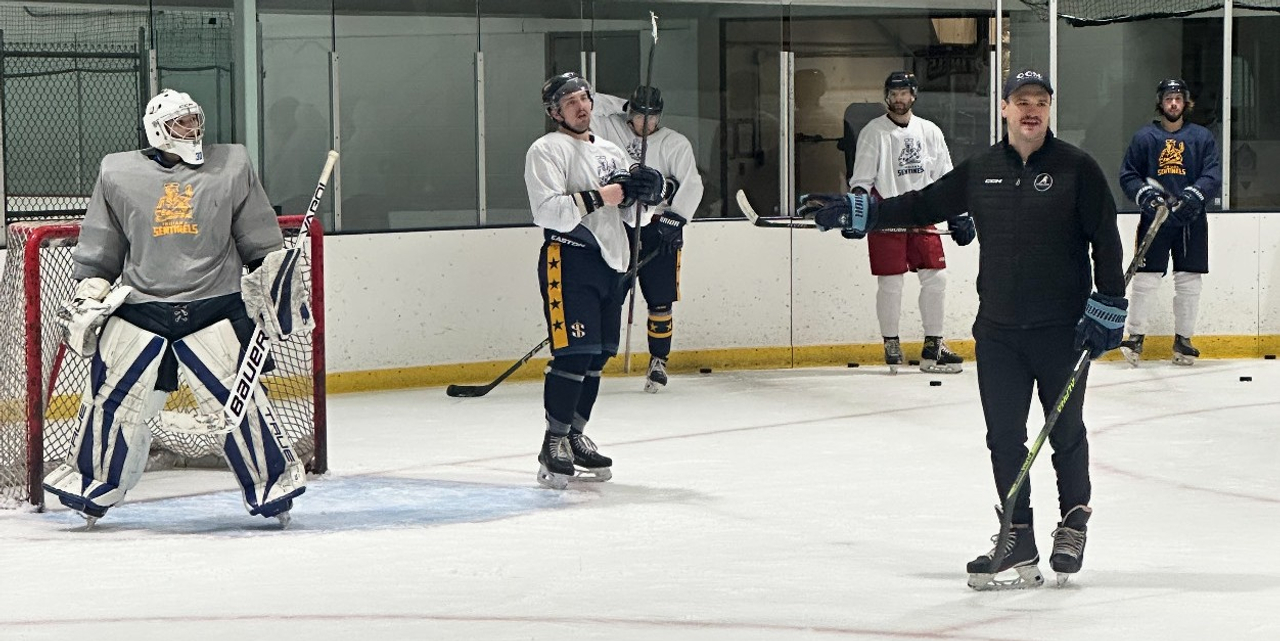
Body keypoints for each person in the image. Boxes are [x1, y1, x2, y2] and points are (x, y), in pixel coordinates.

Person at [798, 70, 1126, 589]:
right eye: (1022, 101)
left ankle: (1074, 521)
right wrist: (864, 208)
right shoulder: (983, 170)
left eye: (1040, 102)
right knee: (1003, 438)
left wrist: (1109, 302)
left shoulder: (1077, 169)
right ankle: (1017, 534)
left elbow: (1105, 239)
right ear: (1004, 108)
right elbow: (921, 204)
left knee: (1065, 430)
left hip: (1062, 329)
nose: (1031, 110)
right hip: (997, 331)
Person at [41, 89, 310, 527]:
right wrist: (91, 293)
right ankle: (93, 483)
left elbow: (259, 238)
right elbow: (102, 248)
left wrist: (270, 278)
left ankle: (271, 483)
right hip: (141, 307)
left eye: (194, 120)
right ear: (157, 129)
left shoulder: (232, 165)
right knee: (113, 401)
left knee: (235, 402)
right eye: (181, 123)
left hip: (215, 306)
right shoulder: (118, 171)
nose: (193, 130)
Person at [524, 72, 667, 489]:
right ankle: (554, 440)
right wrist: (605, 195)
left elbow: (630, 216)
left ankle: (575, 433)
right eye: (569, 102)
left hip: (612, 261)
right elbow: (547, 211)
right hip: (568, 258)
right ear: (555, 112)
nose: (580, 106)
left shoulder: (611, 150)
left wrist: (647, 195)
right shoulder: (546, 150)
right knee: (573, 354)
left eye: (583, 98)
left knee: (597, 355)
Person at [847, 71, 974, 374]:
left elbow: (945, 176)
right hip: (888, 210)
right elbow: (861, 180)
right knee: (891, 281)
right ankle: (891, 343)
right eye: (894, 93)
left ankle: (933, 346)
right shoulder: (873, 132)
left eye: (904, 93)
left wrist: (957, 212)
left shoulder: (929, 130)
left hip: (923, 210)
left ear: (914, 95)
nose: (899, 99)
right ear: (886, 96)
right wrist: (858, 210)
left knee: (936, 278)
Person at [592, 85, 703, 392]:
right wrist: (624, 102)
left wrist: (676, 217)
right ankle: (598, 357)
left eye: (652, 117)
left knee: (660, 298)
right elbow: (589, 101)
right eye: (640, 115)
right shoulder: (609, 126)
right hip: (619, 226)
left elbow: (692, 184)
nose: (646, 123)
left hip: (658, 227)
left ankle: (658, 361)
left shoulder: (674, 143)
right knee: (611, 293)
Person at [1118, 78, 1222, 366]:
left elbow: (1212, 173)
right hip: (1155, 219)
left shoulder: (1201, 137)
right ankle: (1136, 337)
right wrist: (1147, 196)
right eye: (1168, 98)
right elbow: (1128, 175)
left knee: (1189, 280)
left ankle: (1184, 339)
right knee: (1146, 279)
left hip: (1191, 220)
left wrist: (1193, 196)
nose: (1173, 103)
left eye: (1178, 98)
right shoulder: (1144, 138)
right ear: (1160, 103)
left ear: (1185, 103)